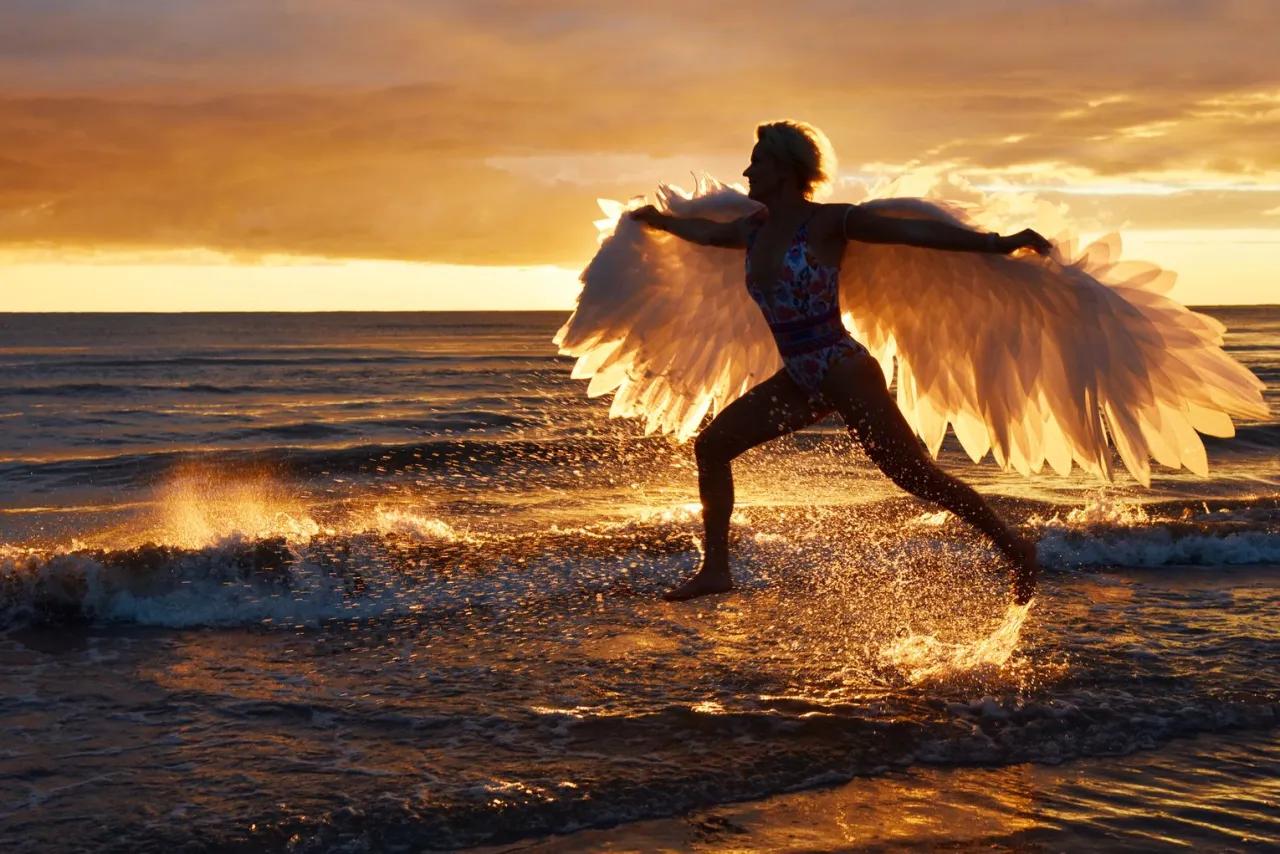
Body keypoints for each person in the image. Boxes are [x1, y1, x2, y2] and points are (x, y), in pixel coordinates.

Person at [628, 120, 1046, 604]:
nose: (747, 172)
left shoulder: (830, 223)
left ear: (786, 169)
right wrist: (660, 222)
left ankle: (1014, 547)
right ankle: (716, 569)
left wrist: (996, 242)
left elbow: (912, 232)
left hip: (842, 368)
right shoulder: (753, 228)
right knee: (713, 446)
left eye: (757, 162)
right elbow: (706, 233)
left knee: (913, 475)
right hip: (800, 376)